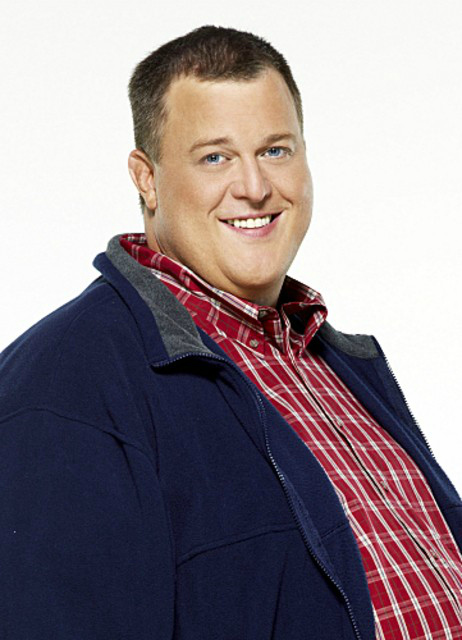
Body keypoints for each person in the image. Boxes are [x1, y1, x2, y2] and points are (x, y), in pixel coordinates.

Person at [0, 24, 461, 640]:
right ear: (146, 178)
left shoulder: (335, 363)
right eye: (215, 157)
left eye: (276, 150)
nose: (254, 187)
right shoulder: (67, 384)